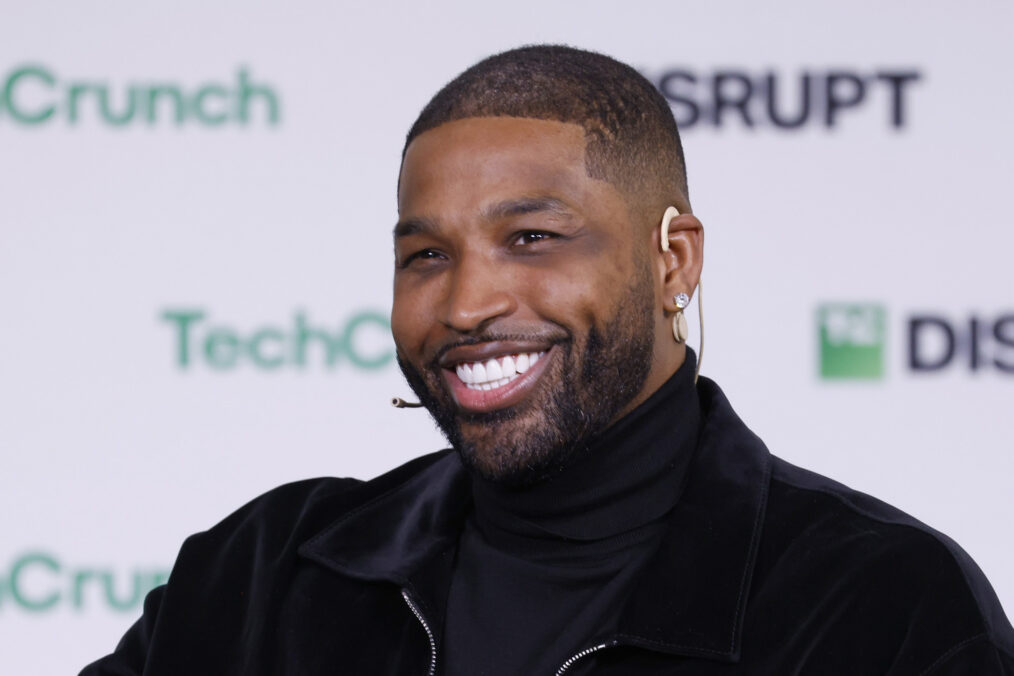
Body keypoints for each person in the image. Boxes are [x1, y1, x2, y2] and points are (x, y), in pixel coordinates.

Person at [82, 45, 1014, 675]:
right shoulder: (264, 577)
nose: (466, 305)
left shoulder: (882, 606)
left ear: (673, 258)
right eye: (426, 255)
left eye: (531, 238)